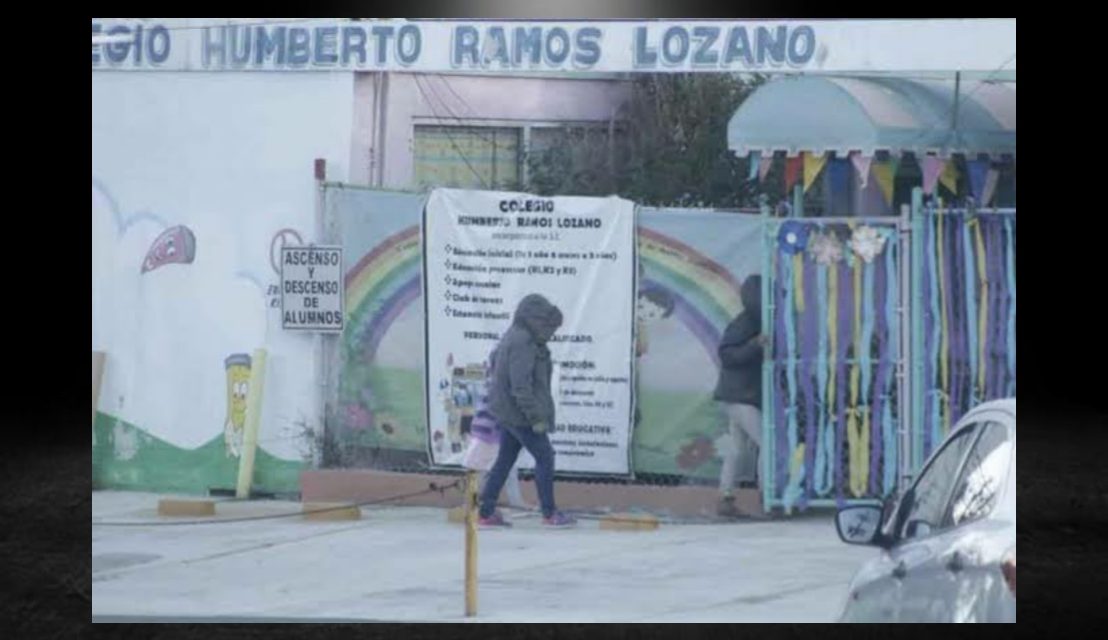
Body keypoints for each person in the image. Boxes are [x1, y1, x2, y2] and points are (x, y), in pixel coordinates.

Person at [478, 294, 577, 529]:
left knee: (505, 459)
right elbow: (520, 385)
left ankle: (485, 512)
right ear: (536, 321)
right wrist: (536, 417)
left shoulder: (518, 336)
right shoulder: (524, 342)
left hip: (508, 411)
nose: (551, 332)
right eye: (548, 326)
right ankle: (550, 513)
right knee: (545, 457)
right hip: (520, 414)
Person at [713, 275, 767, 518]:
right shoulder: (746, 323)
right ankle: (768, 498)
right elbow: (727, 355)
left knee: (735, 450)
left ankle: (726, 499)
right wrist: (755, 345)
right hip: (739, 395)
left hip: (739, 395)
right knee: (767, 444)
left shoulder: (755, 320)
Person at [463, 348, 531, 512]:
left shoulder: (498, 381)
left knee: (506, 466)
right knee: (478, 468)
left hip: (495, 432)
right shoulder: (498, 384)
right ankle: (471, 503)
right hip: (487, 432)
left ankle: (515, 501)